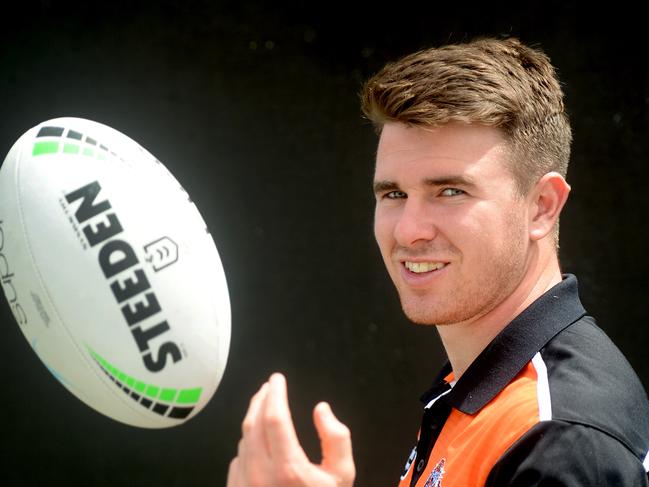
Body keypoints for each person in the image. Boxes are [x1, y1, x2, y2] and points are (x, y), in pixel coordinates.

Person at [226, 37, 649, 486]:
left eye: (450, 192)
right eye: (393, 194)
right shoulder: (482, 388)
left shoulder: (556, 437)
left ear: (542, 206)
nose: (409, 230)